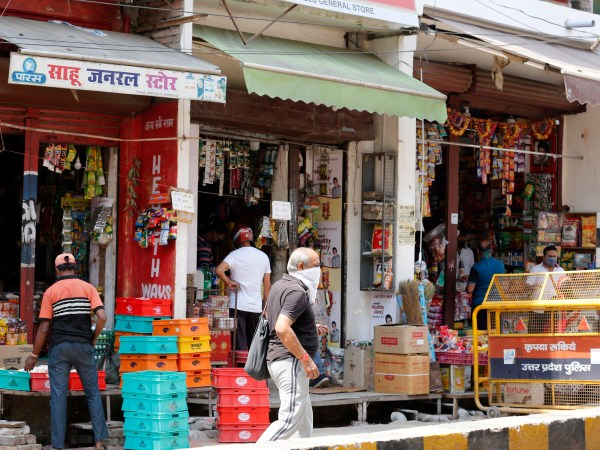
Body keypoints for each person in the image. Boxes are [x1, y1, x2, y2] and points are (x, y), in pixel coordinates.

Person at [24, 253, 108, 450]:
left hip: (60, 348)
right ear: (75, 268)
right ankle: (98, 441)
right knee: (92, 393)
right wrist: (93, 337)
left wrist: (34, 356)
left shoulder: (51, 292)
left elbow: (44, 327)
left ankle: (57, 445)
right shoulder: (88, 288)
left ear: (57, 270)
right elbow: (102, 316)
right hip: (83, 347)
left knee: (59, 397)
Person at [257, 247, 329, 442]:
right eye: (316, 265)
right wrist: (305, 360)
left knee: (303, 417)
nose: (319, 269)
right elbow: (281, 328)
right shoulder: (297, 291)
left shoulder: (280, 285)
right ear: (301, 267)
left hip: (282, 360)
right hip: (290, 361)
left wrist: (309, 327)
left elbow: (278, 319)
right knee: (289, 420)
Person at [216, 226, 271, 351]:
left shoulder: (234, 255)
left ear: (236, 240)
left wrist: (229, 282)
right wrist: (265, 308)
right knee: (254, 343)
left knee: (239, 342)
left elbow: (219, 270)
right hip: (256, 307)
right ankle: (252, 369)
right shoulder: (263, 256)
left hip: (237, 305)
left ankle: (240, 368)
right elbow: (267, 286)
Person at [466, 240, 505, 331]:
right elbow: (503, 284)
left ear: (478, 251)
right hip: (496, 304)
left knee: (481, 335)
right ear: (491, 250)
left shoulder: (476, 267)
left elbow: (470, 289)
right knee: (495, 332)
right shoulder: (500, 265)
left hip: (480, 306)